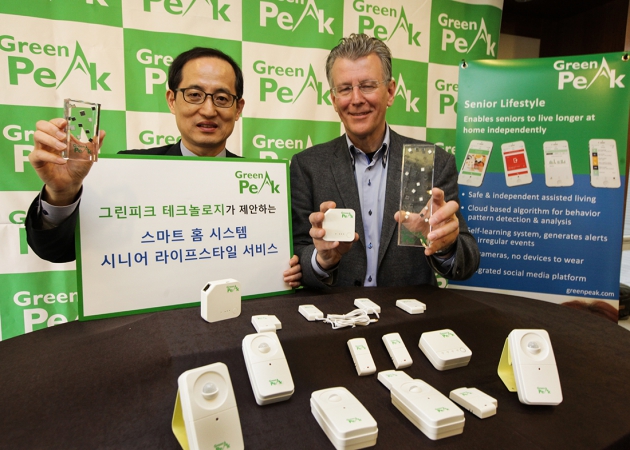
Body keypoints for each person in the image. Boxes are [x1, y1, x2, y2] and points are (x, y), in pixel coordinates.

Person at [25, 46, 302, 287]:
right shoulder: (129, 172)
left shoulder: (268, 184)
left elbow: (291, 253)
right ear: (172, 100)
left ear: (238, 108)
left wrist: (294, 265)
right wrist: (62, 193)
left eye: (221, 98)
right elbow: (56, 251)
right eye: (194, 94)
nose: (208, 110)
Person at [290, 33, 480, 289]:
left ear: (390, 92)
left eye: (367, 85)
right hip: (335, 313)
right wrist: (322, 260)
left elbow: (466, 263)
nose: (356, 99)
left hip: (410, 312)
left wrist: (445, 246)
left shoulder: (431, 161)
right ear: (334, 100)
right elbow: (297, 254)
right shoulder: (307, 166)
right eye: (345, 89)